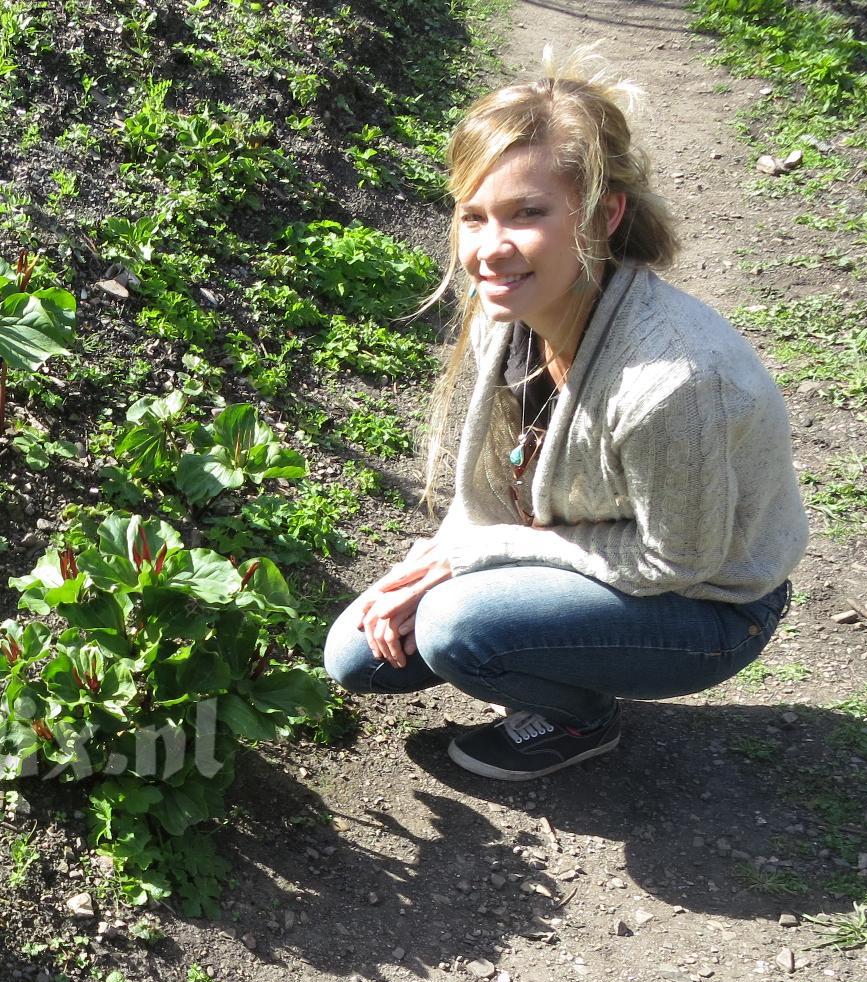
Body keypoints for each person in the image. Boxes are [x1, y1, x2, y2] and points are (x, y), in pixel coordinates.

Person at [323, 58, 808, 781]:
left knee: (460, 628)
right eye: (474, 216)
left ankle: (581, 719)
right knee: (357, 654)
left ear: (603, 214)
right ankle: (543, 652)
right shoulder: (510, 313)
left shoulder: (672, 380)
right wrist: (429, 563)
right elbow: (486, 502)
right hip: (603, 554)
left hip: (710, 606)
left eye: (527, 213)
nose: (490, 249)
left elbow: (680, 562)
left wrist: (468, 565)